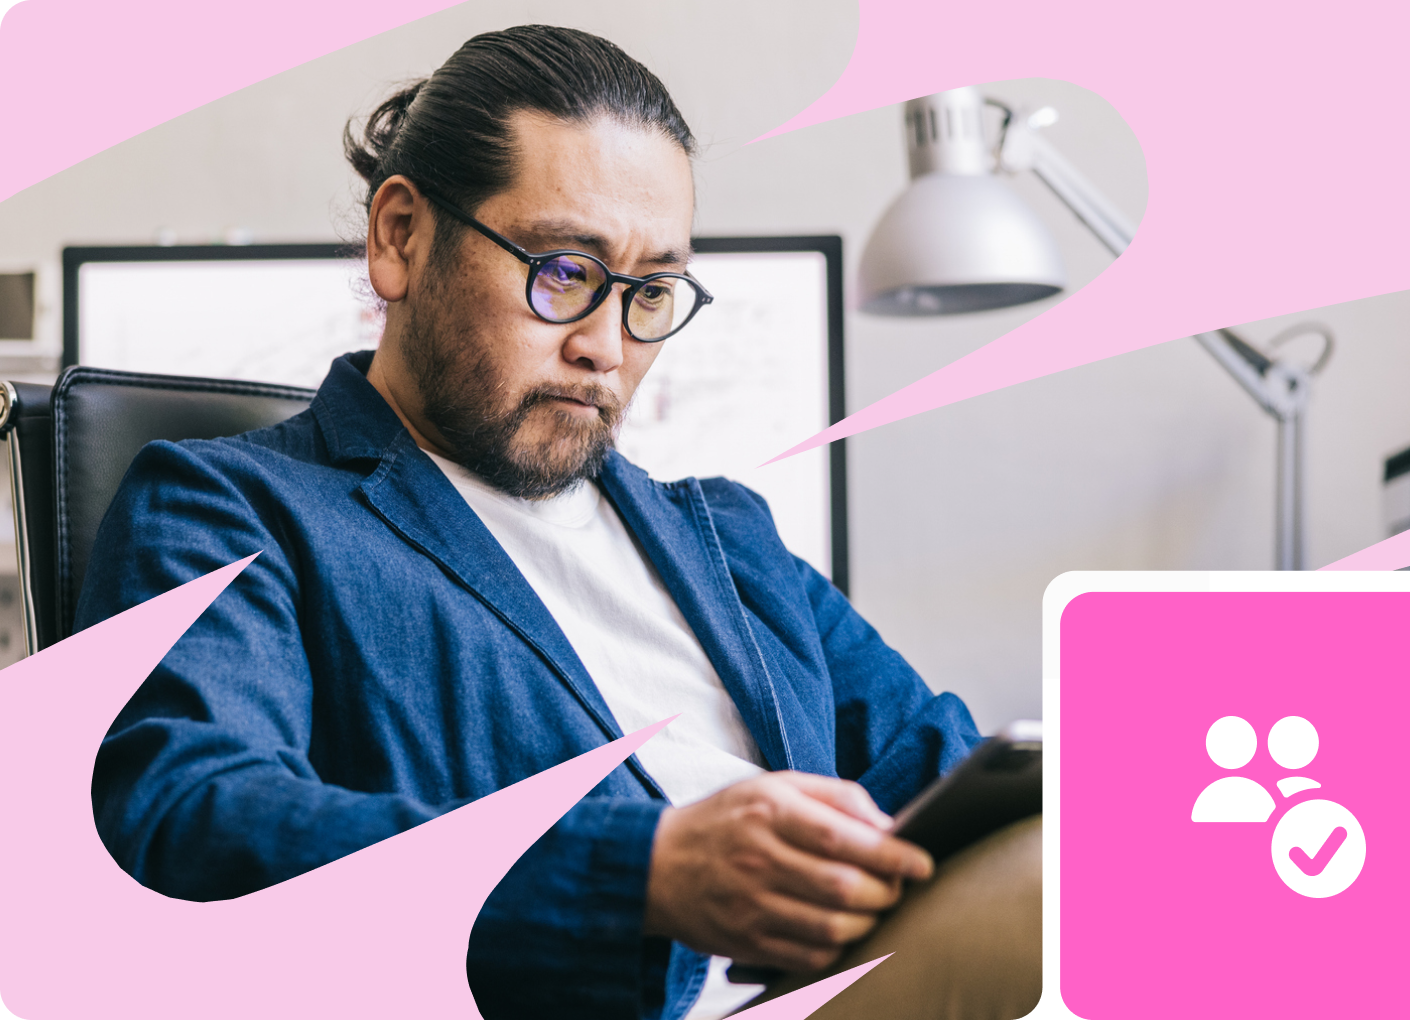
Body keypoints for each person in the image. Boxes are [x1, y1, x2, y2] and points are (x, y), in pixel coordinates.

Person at [78, 25, 1040, 1020]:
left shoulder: (727, 540)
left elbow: (945, 772)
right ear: (401, 238)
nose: (604, 347)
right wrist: (650, 871)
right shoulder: (237, 508)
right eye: (564, 272)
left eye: (649, 292)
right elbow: (182, 821)